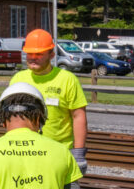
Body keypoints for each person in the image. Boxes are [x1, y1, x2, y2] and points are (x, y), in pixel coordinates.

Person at [10, 29, 89, 172]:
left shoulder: (67, 80)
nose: (33, 58)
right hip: (23, 153)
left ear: (51, 55)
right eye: (30, 53)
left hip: (58, 155)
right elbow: (10, 117)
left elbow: (78, 116)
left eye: (39, 54)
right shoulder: (18, 80)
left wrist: (78, 154)